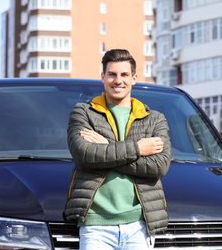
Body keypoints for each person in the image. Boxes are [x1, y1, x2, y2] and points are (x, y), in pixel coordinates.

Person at [64, 49, 172, 250]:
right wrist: (138, 148)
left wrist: (106, 149)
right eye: (112, 74)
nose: (118, 80)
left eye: (124, 75)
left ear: (134, 78)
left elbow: (160, 166)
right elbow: (84, 155)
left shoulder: (154, 119)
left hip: (139, 224)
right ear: (103, 77)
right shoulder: (84, 112)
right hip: (95, 225)